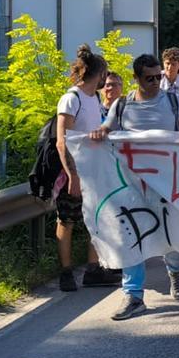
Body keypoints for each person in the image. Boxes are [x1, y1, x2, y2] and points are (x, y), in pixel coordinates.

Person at [91, 54, 179, 320]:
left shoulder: (174, 101)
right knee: (130, 235)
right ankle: (133, 295)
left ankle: (176, 268)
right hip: (130, 185)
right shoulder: (122, 105)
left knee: (169, 234)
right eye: (150, 78)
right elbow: (106, 128)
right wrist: (99, 133)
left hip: (167, 184)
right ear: (136, 78)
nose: (156, 82)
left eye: (159, 77)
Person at [55, 45, 118, 292]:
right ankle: (66, 273)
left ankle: (93, 270)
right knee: (67, 220)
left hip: (94, 170)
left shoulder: (94, 99)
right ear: (99, 74)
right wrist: (72, 175)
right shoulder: (72, 98)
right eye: (105, 74)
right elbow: (62, 140)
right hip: (72, 172)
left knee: (97, 219)